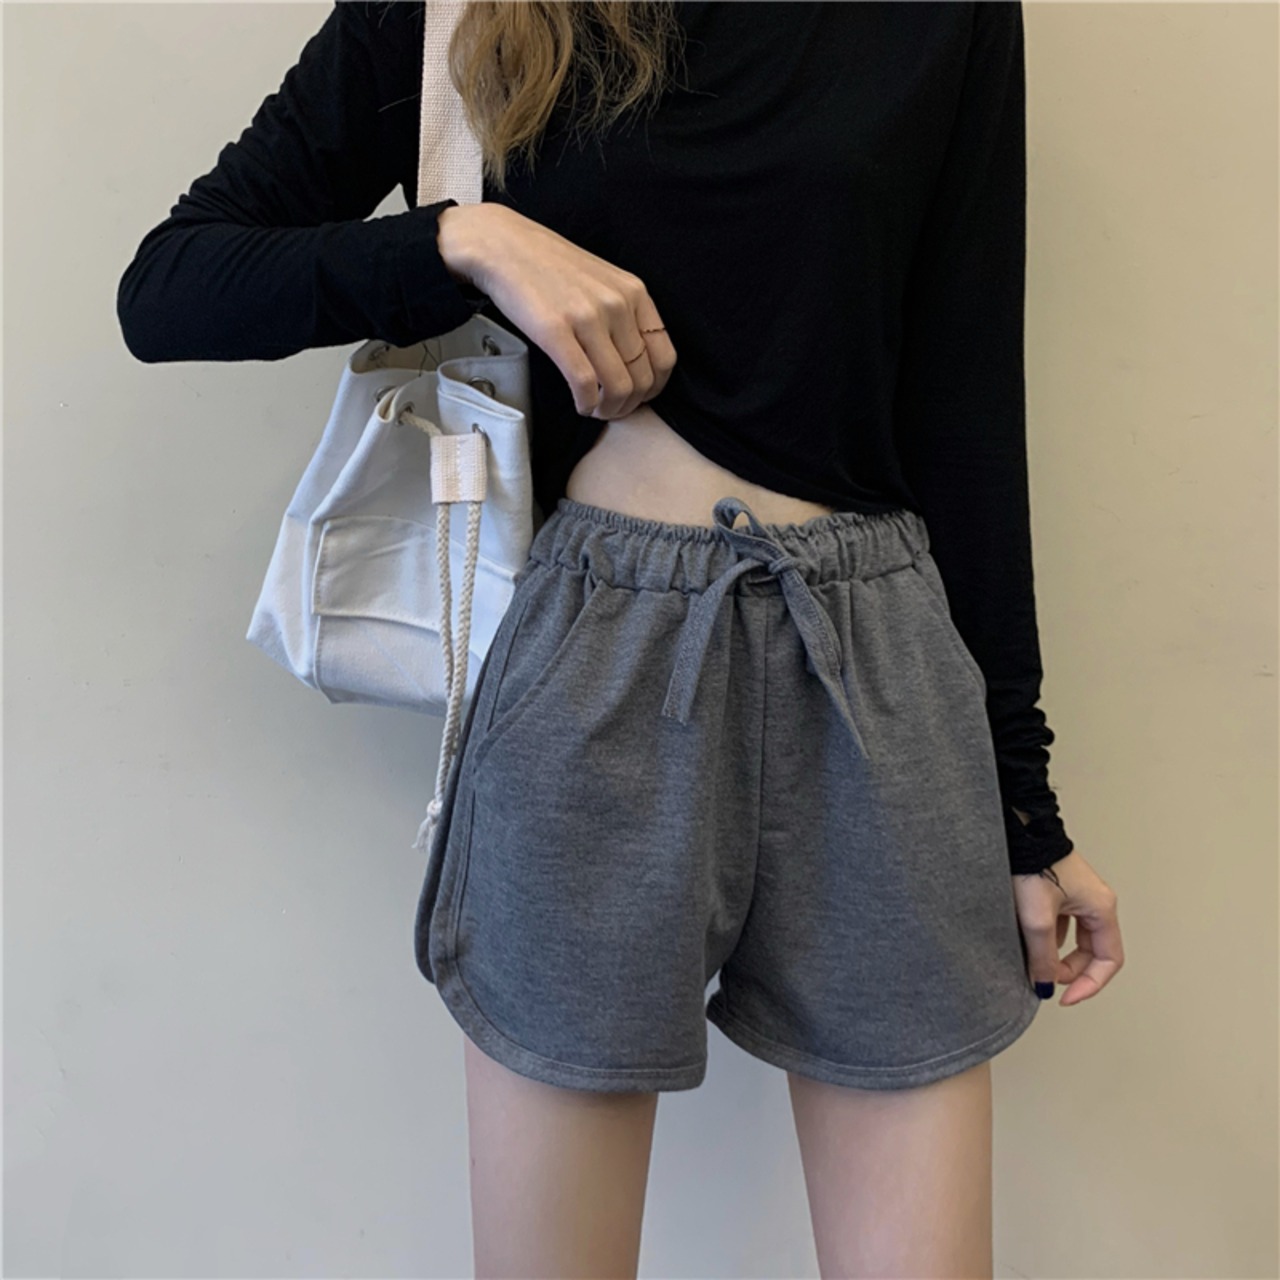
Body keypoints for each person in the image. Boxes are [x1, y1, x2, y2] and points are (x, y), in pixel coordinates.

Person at [117, 1, 1125, 1274]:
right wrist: (467, 241)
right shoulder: (462, 10)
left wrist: (1023, 805)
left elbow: (963, 397)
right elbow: (170, 286)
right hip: (591, 658)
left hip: (875, 663)